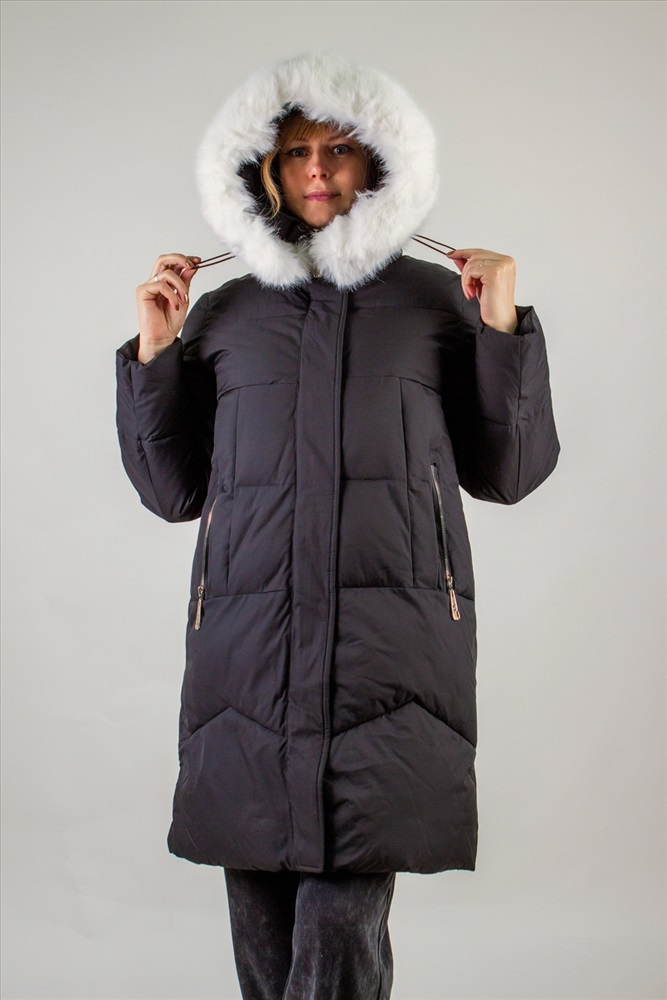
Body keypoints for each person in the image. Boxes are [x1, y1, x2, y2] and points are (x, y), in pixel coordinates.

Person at [116, 51, 559, 1000]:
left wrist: (502, 327)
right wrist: (156, 349)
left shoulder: (436, 304)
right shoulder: (227, 314)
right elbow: (169, 490)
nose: (317, 168)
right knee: (262, 926)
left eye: (339, 149)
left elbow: (510, 471)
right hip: (247, 651)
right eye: (295, 153)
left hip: (385, 657)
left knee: (336, 924)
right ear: (263, 173)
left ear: (379, 162)